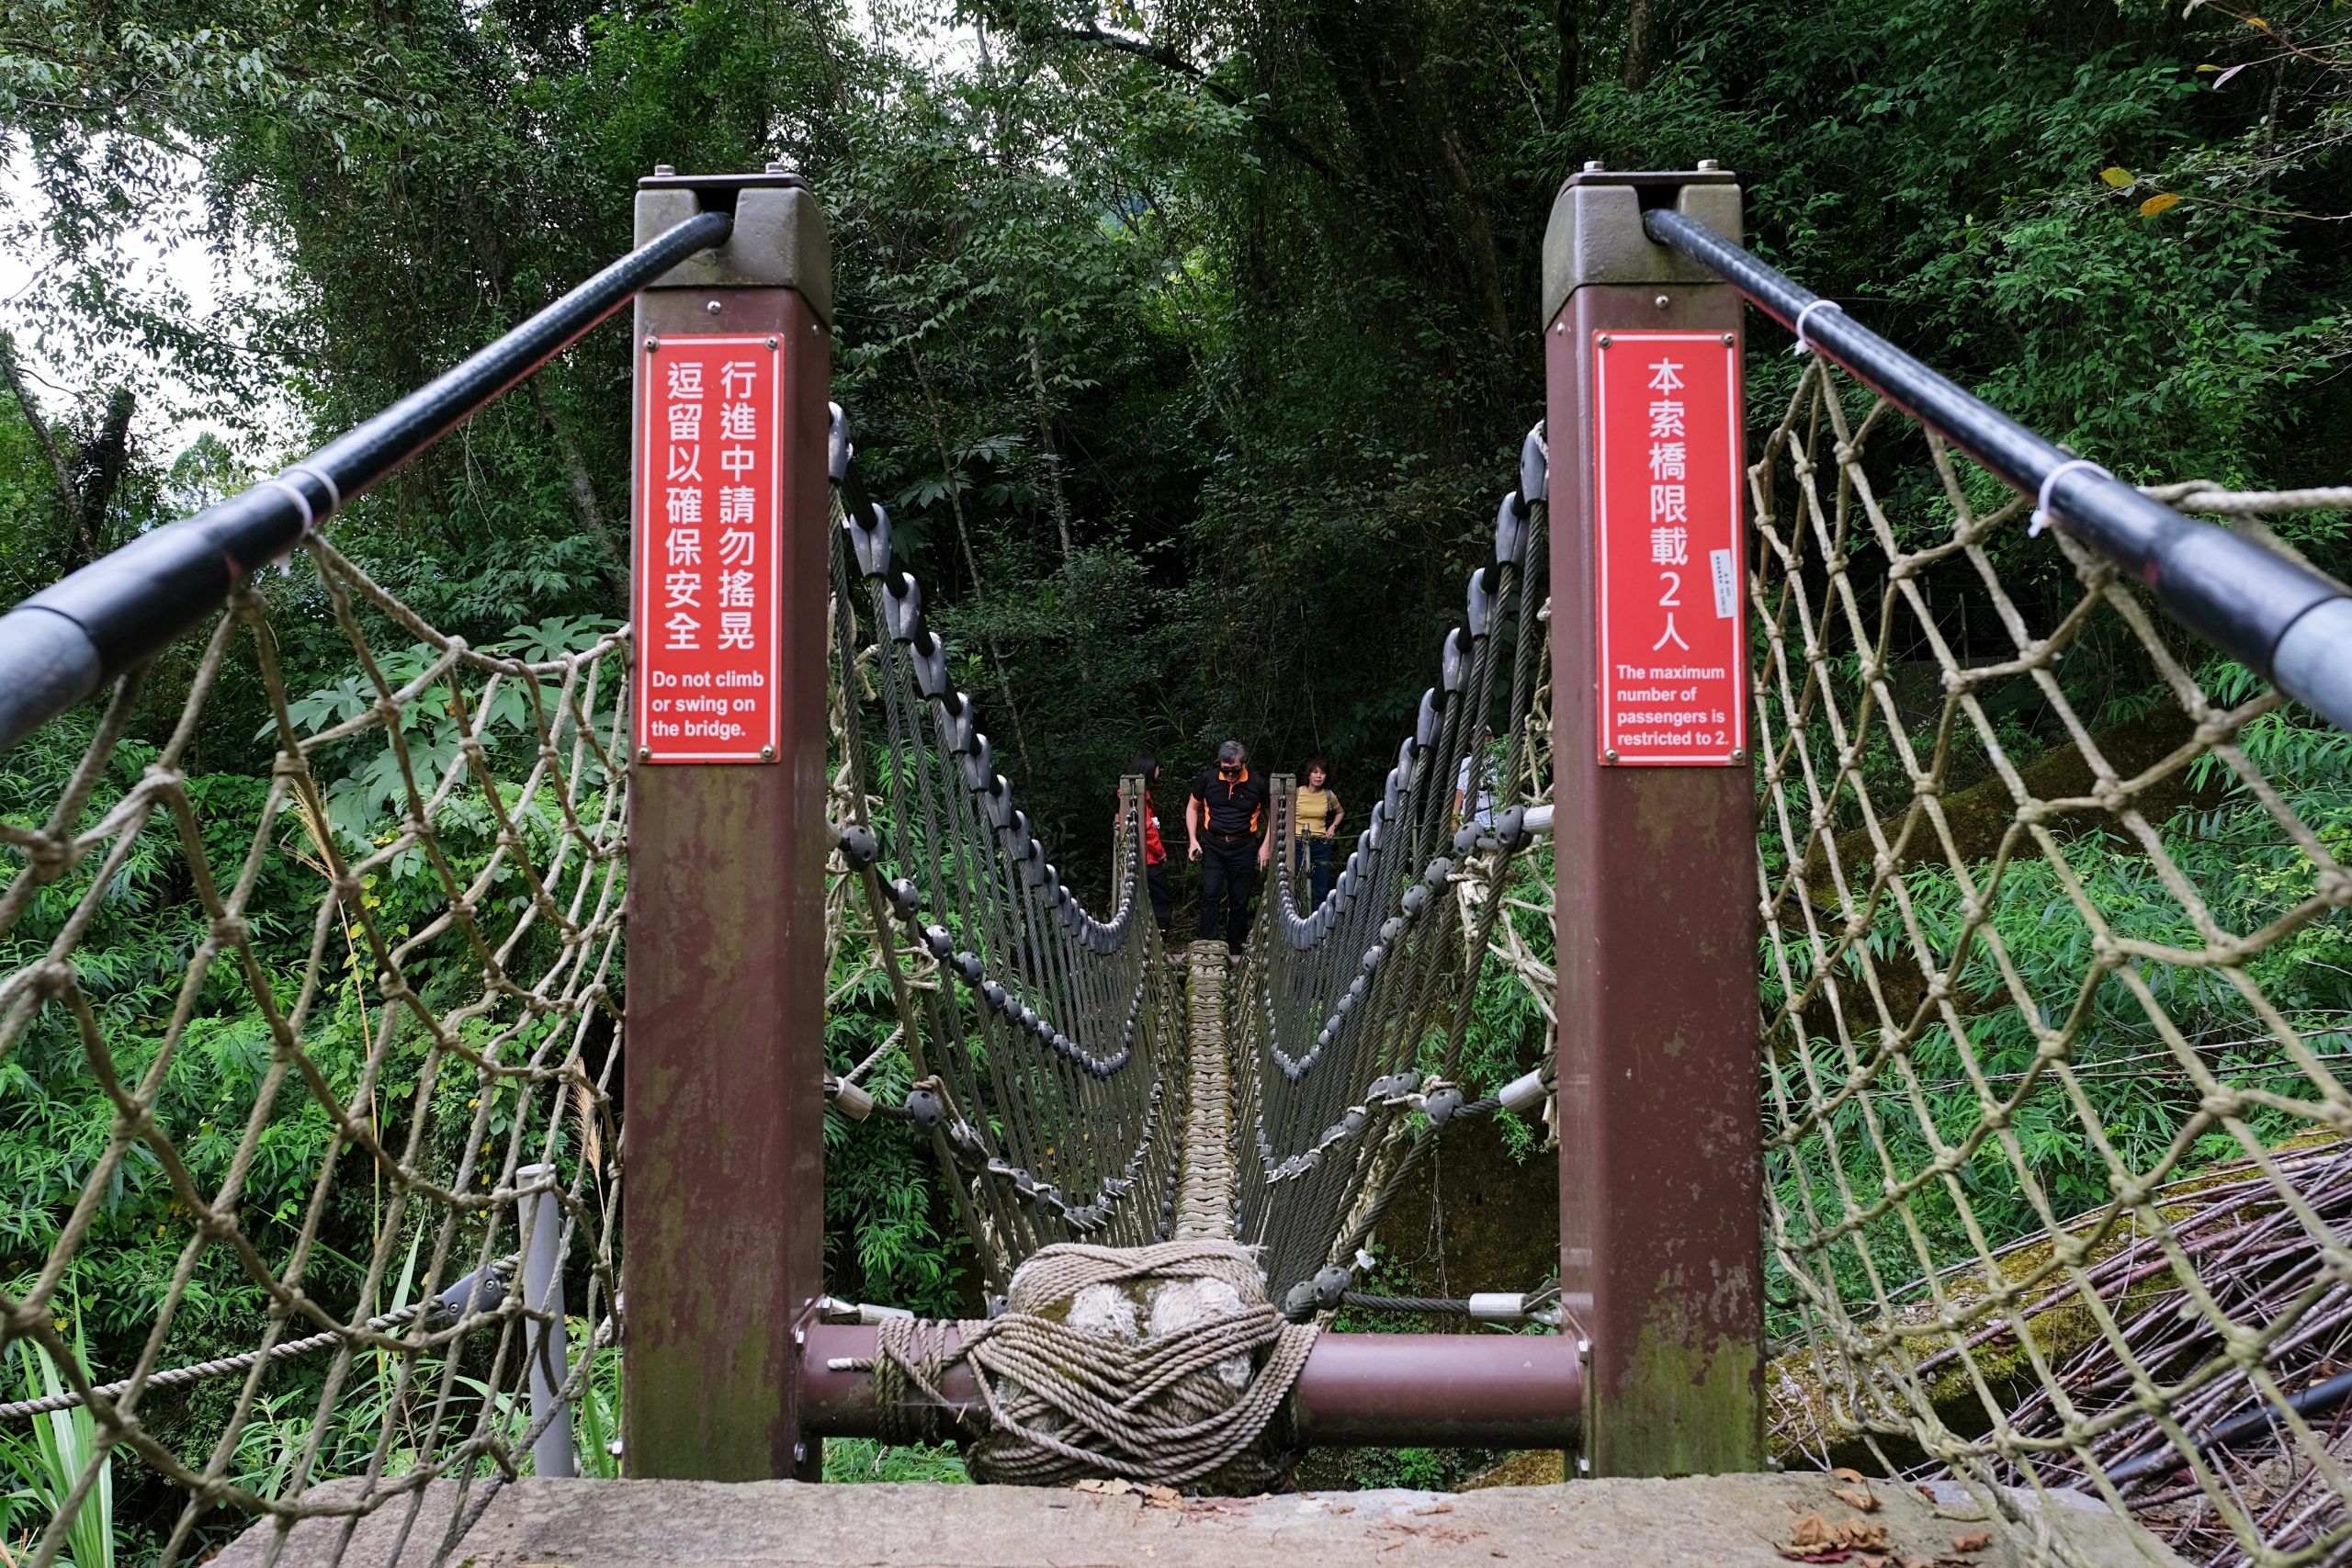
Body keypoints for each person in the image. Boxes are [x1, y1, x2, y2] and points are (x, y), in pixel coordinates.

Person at [1187, 739, 1272, 959]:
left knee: (1239, 900)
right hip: (1213, 844)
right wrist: (1193, 840)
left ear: (1244, 763)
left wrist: (1266, 846)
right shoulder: (1208, 779)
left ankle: (1236, 951)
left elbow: (1273, 816)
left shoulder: (1258, 783)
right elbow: (1192, 807)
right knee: (1210, 893)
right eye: (1226, 771)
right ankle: (1209, 947)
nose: (1230, 775)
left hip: (1243, 845)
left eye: (1235, 770)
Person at [1120, 754, 1174, 940]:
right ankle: (1160, 941)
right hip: (1148, 859)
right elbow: (1148, 830)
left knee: (1135, 901)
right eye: (1158, 768)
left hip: (1135, 857)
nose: (1159, 772)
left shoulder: (1130, 796)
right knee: (1162, 899)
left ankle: (1148, 940)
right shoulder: (1138, 798)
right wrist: (1161, 853)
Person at [1293, 758, 1343, 908]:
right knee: (1295, 885)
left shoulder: (1328, 795)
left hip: (1320, 845)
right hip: (1298, 844)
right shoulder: (1296, 794)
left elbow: (1340, 812)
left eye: (1322, 773)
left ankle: (1317, 927)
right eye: (1315, 772)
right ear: (1309, 775)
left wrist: (1332, 826)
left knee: (1320, 889)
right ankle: (1297, 922)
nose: (1318, 776)